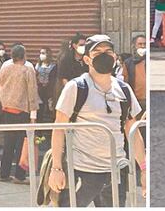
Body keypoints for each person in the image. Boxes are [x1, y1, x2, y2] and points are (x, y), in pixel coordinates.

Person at [48, 35, 146, 207]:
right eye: (97, 52)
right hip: (82, 170)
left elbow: (133, 132)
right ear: (87, 59)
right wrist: (56, 169)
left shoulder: (124, 90)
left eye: (108, 51)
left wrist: (144, 169)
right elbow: (59, 128)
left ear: (114, 57)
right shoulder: (76, 87)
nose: (104, 55)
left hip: (115, 171)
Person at [0, 44, 38, 183]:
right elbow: (32, 93)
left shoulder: (5, 67)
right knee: (21, 145)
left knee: (8, 143)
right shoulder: (28, 69)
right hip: (22, 111)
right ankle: (19, 175)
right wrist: (33, 115)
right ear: (24, 55)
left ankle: (4, 173)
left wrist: (2, 100)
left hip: (7, 109)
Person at [122, 35, 147, 110]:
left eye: (145, 44)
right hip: (135, 100)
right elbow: (125, 81)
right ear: (134, 46)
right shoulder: (128, 63)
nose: (142, 46)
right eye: (140, 44)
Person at [36, 47, 58, 120]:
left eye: (43, 53)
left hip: (49, 90)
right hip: (39, 90)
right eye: (40, 53)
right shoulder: (38, 65)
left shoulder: (53, 66)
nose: (41, 55)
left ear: (48, 54)